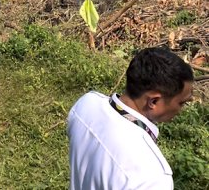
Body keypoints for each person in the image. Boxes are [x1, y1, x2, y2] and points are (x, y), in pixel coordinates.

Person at [67, 47, 194, 190]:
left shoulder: (86, 104)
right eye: (181, 103)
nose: (181, 110)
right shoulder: (152, 177)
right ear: (153, 102)